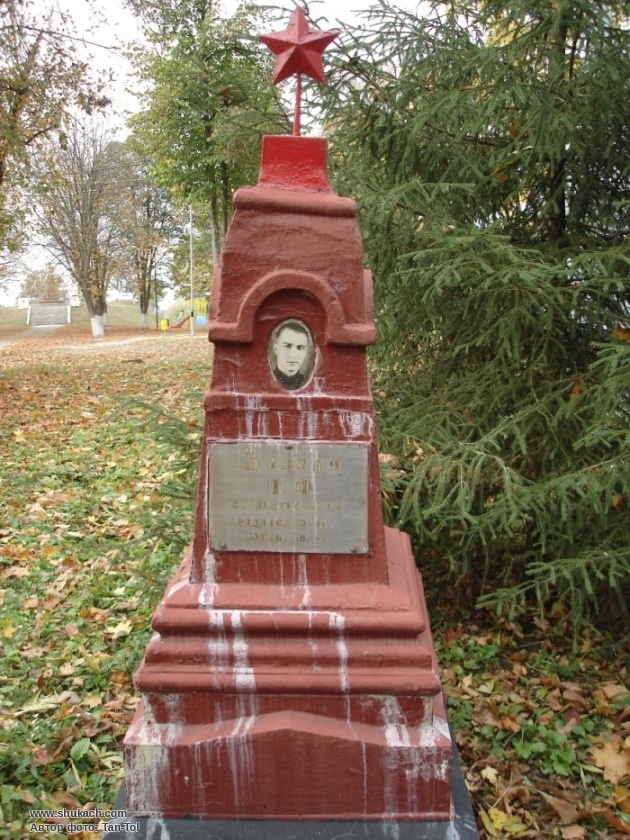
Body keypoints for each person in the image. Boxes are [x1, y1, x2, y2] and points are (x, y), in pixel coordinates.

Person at [270, 320, 313, 389]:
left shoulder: (311, 385)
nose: (293, 355)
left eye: (300, 348)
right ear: (276, 349)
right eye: (287, 346)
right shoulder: (264, 381)